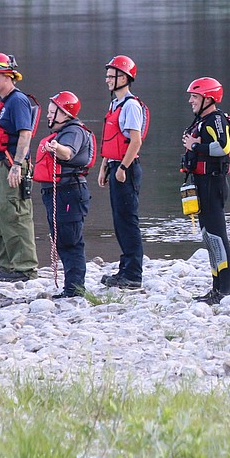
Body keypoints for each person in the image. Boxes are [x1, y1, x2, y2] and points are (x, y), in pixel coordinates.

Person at [0, 53, 41, 282]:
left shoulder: (17, 101)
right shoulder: (1, 102)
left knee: (15, 216)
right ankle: (6, 266)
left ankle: (24, 267)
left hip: (12, 167)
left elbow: (25, 134)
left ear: (8, 77)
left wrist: (17, 166)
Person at [33, 92, 96, 298]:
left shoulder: (73, 132)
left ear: (66, 114)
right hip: (60, 192)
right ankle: (72, 286)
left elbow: (68, 153)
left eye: (53, 112)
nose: (49, 116)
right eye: (49, 112)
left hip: (69, 192)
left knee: (70, 241)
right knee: (62, 239)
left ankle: (75, 289)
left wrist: (56, 147)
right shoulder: (64, 131)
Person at [181, 77, 230, 305]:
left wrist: (195, 145)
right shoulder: (201, 121)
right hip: (202, 182)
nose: (190, 101)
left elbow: (222, 148)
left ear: (208, 99)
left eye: (195, 97)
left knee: (217, 237)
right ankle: (215, 287)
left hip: (213, 183)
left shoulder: (215, 120)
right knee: (208, 236)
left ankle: (224, 290)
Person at [98, 55, 149, 289]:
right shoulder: (114, 105)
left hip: (125, 168)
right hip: (115, 165)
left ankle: (133, 274)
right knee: (119, 221)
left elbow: (135, 141)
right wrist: (104, 167)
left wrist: (122, 168)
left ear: (125, 77)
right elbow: (112, 140)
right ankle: (125, 269)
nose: (107, 79)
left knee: (128, 222)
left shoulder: (131, 106)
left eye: (112, 75)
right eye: (107, 75)